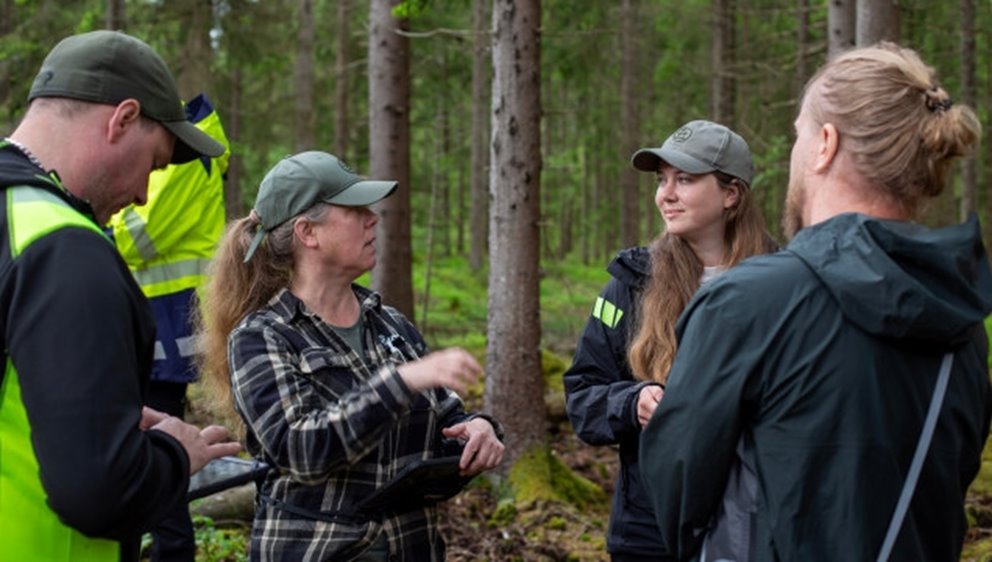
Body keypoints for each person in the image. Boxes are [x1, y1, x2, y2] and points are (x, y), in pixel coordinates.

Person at [639, 42, 992, 562]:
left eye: (797, 134)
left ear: (824, 144)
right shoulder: (961, 317)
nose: (794, 152)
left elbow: (677, 479)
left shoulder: (747, 303)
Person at [0, 30, 242, 562]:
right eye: (154, 165)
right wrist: (175, 454)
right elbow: (98, 492)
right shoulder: (65, 248)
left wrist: (89, 411)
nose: (141, 194)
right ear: (123, 119)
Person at [199, 150, 505, 561]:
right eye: (356, 209)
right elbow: (300, 448)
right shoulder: (261, 337)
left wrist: (479, 428)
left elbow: (445, 416)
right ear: (309, 232)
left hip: (413, 547)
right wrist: (401, 382)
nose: (373, 218)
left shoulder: (390, 324)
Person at [563, 120, 776, 561]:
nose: (666, 194)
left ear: (731, 194)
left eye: (686, 179)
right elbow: (582, 395)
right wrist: (631, 402)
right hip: (651, 529)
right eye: (662, 180)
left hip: (760, 522)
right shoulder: (630, 284)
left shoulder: (784, 282)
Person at [108, 92, 231, 562]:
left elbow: (139, 235)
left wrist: (90, 222)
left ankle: (172, 552)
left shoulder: (185, 154)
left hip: (163, 332)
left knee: (157, 450)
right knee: (155, 447)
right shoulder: (191, 149)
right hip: (160, 326)